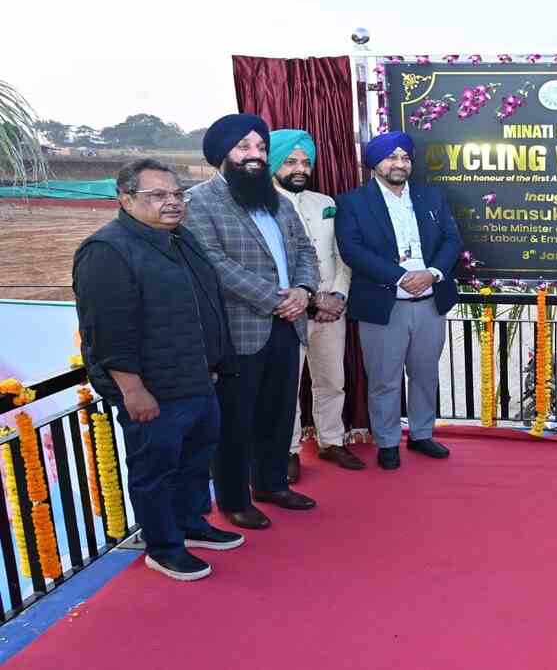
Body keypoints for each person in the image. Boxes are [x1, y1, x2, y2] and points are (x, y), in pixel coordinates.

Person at [73, 159, 243, 581]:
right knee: (155, 470)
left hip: (197, 380)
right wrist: (132, 390)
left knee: (193, 462)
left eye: (176, 194)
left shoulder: (180, 239)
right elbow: (108, 330)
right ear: (125, 199)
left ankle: (189, 525)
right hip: (153, 390)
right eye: (157, 195)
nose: (172, 202)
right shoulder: (106, 251)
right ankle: (164, 547)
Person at [185, 113, 321, 530]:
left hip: (287, 322)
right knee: (236, 419)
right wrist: (276, 300)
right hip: (240, 330)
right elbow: (214, 264)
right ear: (221, 155)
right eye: (244, 147)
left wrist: (304, 291)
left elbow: (304, 251)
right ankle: (233, 499)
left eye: (260, 148)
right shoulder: (199, 202)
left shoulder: (276, 198)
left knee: (279, 411)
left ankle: (272, 483)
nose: (255, 156)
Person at [334, 132, 463, 470]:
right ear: (375, 163)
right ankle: (388, 441)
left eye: (405, 157)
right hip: (383, 305)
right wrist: (400, 277)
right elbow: (352, 249)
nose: (399, 164)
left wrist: (432, 273)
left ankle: (421, 435)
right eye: (391, 157)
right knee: (384, 379)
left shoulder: (431, 196)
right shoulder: (352, 202)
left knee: (424, 374)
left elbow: (452, 239)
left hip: (430, 304)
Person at [267, 129, 363, 481]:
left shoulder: (324, 201)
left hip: (331, 312)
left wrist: (337, 296)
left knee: (331, 379)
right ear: (273, 162)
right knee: (286, 386)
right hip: (286, 312)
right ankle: (288, 450)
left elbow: (342, 257)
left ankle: (331, 440)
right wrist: (308, 301)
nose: (300, 169)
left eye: (306, 162)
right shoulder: (259, 207)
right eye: (291, 161)